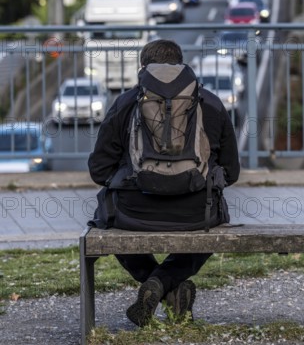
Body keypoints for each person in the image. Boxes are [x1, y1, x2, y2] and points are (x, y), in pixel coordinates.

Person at [88, 39, 240, 327]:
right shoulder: (211, 103)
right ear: (181, 66)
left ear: (143, 69)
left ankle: (154, 282)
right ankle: (167, 284)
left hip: (133, 214)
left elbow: (99, 170)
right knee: (217, 215)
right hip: (197, 213)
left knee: (105, 213)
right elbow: (231, 172)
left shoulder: (124, 103)